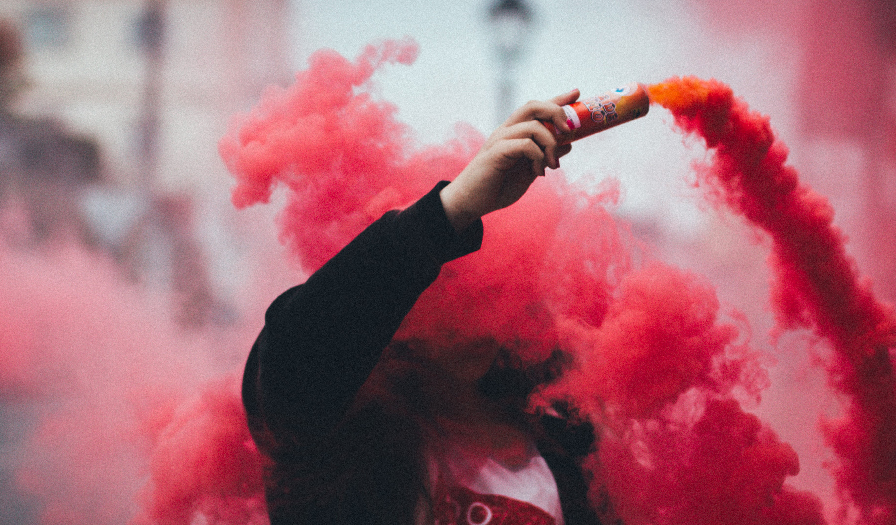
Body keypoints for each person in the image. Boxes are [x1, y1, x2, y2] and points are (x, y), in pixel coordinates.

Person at [242, 89, 618, 525]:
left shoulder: (565, 441)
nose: (472, 319)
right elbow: (295, 361)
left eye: (492, 292)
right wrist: (448, 211)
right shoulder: (343, 445)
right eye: (444, 288)